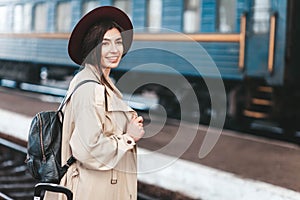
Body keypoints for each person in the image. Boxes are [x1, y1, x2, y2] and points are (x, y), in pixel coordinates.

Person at [46, 6, 145, 200]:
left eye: (118, 42)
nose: (114, 50)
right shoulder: (90, 88)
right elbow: (88, 149)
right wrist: (128, 138)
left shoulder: (99, 83)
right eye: (105, 44)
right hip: (90, 191)